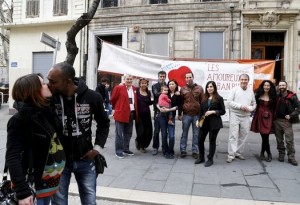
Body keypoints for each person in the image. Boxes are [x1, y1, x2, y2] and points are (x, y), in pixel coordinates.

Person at [47, 62, 110, 205]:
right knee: (58, 202)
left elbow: (104, 123)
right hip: (58, 161)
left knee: (89, 200)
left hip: (85, 158)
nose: (48, 84)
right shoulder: (51, 98)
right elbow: (22, 104)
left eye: (53, 82)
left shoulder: (93, 97)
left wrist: (97, 148)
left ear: (68, 81)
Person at [6, 73, 65, 205]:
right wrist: (23, 192)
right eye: (43, 83)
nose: (47, 85)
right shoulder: (19, 120)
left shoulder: (46, 112)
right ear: (34, 91)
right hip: (32, 187)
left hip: (48, 183)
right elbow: (12, 157)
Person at [227, 74, 256, 163]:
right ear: (239, 80)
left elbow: (254, 103)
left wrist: (249, 108)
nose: (244, 81)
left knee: (243, 136)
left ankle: (238, 153)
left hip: (246, 116)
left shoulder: (251, 91)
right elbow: (229, 102)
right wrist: (240, 106)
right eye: (242, 79)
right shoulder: (234, 90)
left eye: (245, 79)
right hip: (235, 115)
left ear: (248, 81)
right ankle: (231, 155)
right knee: (233, 135)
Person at [195, 81, 226, 167]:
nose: (209, 88)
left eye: (211, 86)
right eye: (208, 87)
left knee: (212, 141)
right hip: (204, 122)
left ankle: (210, 159)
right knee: (200, 140)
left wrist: (213, 111)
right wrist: (198, 120)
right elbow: (200, 111)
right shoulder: (204, 97)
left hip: (214, 123)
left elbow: (223, 111)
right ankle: (201, 157)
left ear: (214, 88)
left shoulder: (219, 98)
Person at [110, 74, 138, 159]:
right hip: (121, 113)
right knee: (119, 133)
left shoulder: (133, 88)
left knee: (128, 133)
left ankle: (126, 149)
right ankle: (118, 151)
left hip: (131, 112)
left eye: (130, 79)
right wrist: (117, 108)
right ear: (124, 80)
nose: (129, 81)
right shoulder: (118, 88)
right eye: (127, 79)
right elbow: (113, 99)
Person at [273, 80, 300, 166]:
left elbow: (299, 108)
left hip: (287, 122)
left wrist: (291, 115)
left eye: (283, 85)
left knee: (289, 140)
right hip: (277, 121)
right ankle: (281, 154)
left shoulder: (292, 96)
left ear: (286, 86)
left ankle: (291, 157)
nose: (281, 87)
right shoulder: (276, 95)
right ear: (278, 86)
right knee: (279, 140)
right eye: (280, 85)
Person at [178, 72, 204, 159]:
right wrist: (179, 114)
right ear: (185, 79)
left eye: (190, 77)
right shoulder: (183, 89)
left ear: (193, 77)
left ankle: (195, 151)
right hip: (186, 115)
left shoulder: (199, 88)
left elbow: (203, 102)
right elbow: (181, 102)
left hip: (197, 115)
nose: (189, 79)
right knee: (184, 133)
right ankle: (183, 150)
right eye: (187, 77)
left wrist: (202, 116)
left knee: (196, 134)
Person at [251, 80, 277, 162]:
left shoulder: (273, 96)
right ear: (262, 86)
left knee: (266, 136)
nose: (266, 87)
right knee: (264, 136)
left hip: (269, 118)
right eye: (265, 85)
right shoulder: (258, 95)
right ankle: (267, 153)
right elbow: (253, 104)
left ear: (270, 87)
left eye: (268, 85)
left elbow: (275, 108)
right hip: (260, 117)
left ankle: (264, 152)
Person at [158, 79, 181, 159]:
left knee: (171, 136)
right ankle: (165, 151)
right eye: (170, 84)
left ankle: (171, 150)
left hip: (171, 117)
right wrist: (159, 108)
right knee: (164, 135)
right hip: (162, 116)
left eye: (173, 84)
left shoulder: (178, 95)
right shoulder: (164, 92)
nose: (171, 85)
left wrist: (169, 110)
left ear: (176, 85)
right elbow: (157, 103)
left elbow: (178, 106)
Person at [135, 78, 153, 153]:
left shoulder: (148, 92)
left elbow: (149, 103)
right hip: (139, 115)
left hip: (147, 115)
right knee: (141, 132)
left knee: (148, 132)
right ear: (140, 84)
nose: (144, 84)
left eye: (145, 83)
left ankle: (143, 145)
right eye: (142, 83)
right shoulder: (136, 91)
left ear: (147, 84)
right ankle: (139, 142)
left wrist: (153, 100)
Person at [151, 71, 167, 155]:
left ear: (165, 77)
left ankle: (164, 148)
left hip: (166, 111)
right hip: (157, 111)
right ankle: (155, 147)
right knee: (156, 131)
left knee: (164, 132)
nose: (162, 78)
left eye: (163, 76)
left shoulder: (168, 85)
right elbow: (156, 94)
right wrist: (165, 91)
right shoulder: (154, 86)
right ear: (158, 77)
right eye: (160, 76)